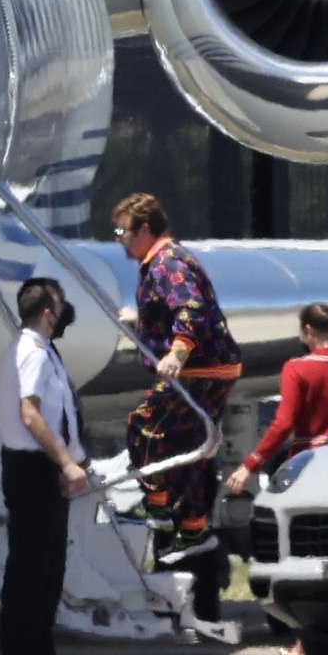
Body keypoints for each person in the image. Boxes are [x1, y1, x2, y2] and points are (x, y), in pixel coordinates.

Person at [225, 303, 328, 655]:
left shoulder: (297, 368)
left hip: (304, 466)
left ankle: (305, 643)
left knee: (301, 558)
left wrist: (249, 465)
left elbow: (282, 424)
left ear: (307, 331)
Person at [112, 192, 242, 567]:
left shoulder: (168, 262)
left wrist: (177, 353)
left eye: (124, 230)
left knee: (143, 425)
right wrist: (141, 321)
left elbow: (190, 308)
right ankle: (192, 524)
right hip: (213, 366)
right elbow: (174, 309)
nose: (119, 238)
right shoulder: (163, 262)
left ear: (145, 229)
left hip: (199, 369)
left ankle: (156, 505)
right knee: (188, 448)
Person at [0, 277, 90, 655]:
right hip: (33, 467)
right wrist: (67, 463)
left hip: (37, 465)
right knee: (34, 568)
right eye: (62, 303)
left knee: (45, 565)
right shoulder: (32, 353)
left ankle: (35, 653)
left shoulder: (39, 350)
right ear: (50, 312)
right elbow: (31, 414)